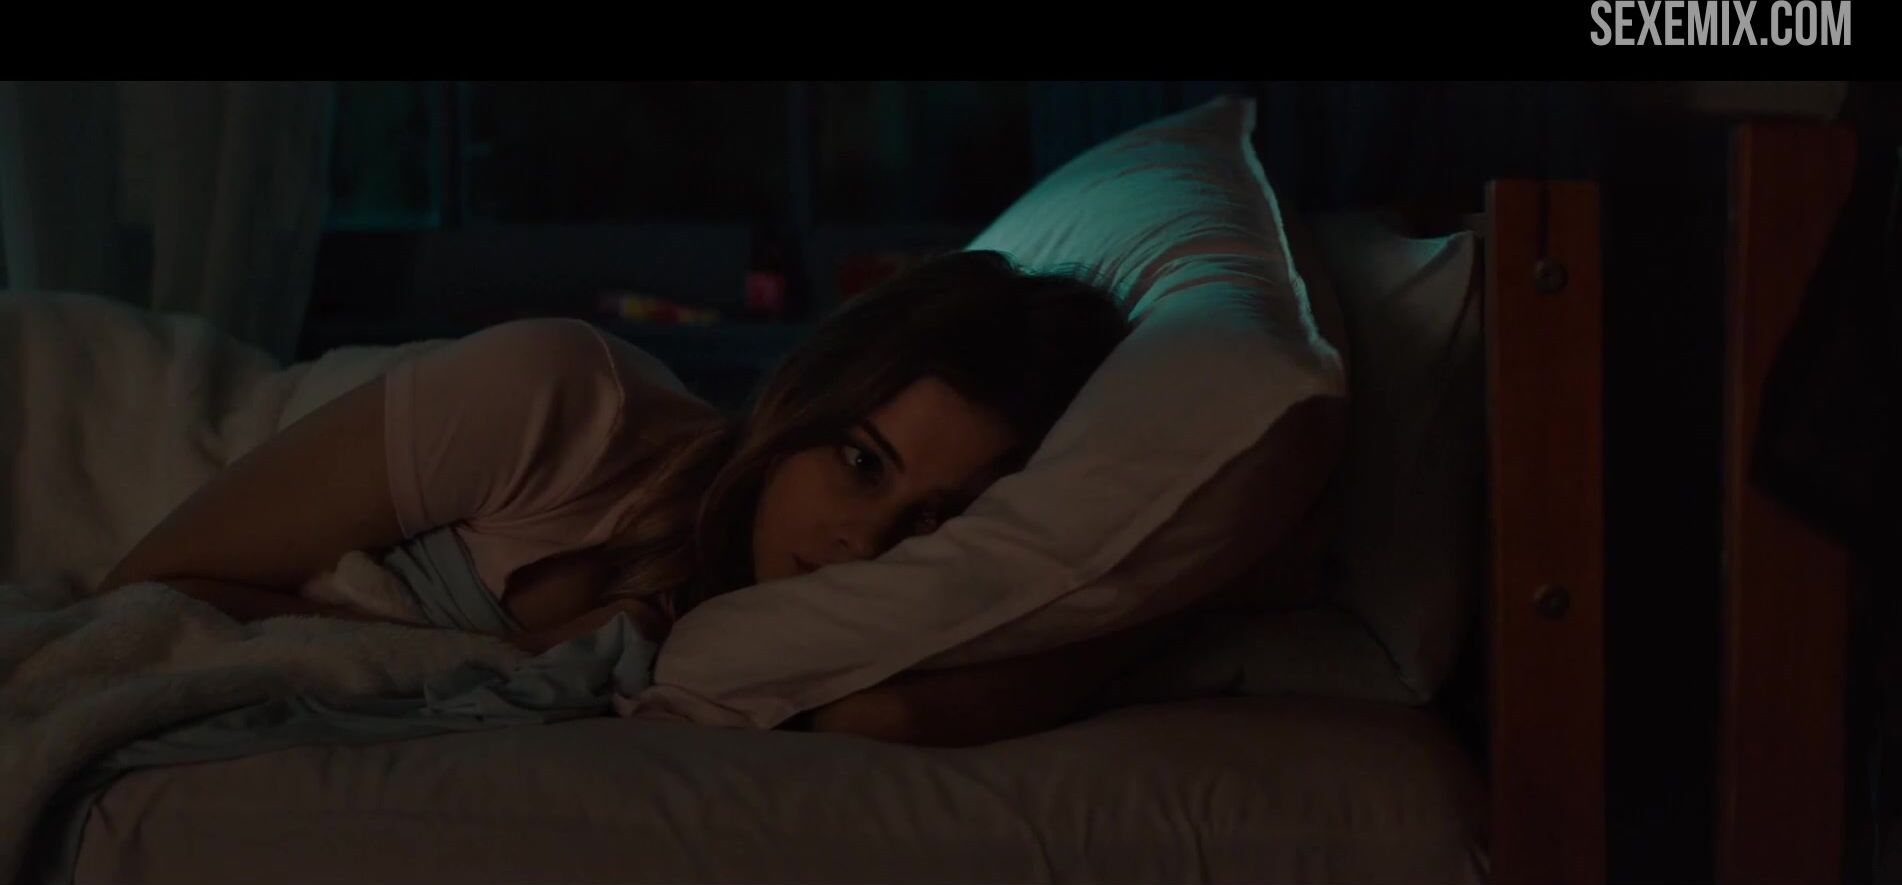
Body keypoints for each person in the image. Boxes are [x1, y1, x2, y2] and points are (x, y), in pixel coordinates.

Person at [100, 250, 1160, 746]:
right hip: (110, 431)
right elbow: (148, 586)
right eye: (861, 461)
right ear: (804, 401)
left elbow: (888, 717)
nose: (863, 541)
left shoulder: (800, 643)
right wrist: (513, 655)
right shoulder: (560, 400)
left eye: (937, 520)